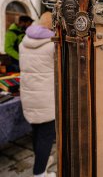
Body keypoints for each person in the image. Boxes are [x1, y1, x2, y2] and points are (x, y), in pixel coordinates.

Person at [19, 12, 56, 177]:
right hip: (45, 100)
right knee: (46, 137)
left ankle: (42, 164)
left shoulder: (23, 42)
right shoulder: (52, 45)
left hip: (29, 97)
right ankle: (40, 173)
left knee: (37, 134)